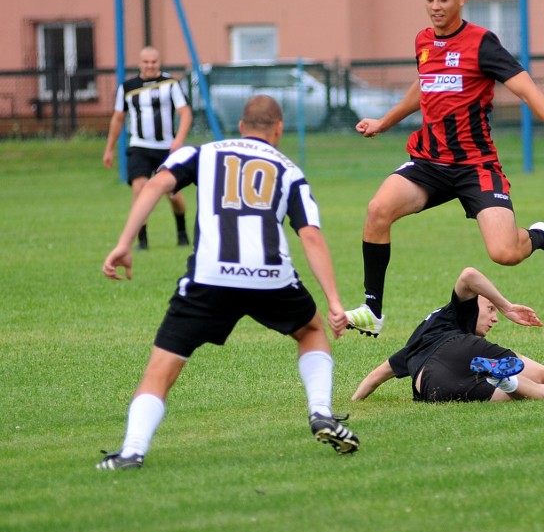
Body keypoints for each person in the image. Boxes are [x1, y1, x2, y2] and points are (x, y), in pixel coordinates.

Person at [97, 95, 359, 470]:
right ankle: (321, 412)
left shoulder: (201, 153)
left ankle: (132, 451)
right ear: (278, 130)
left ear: (240, 126)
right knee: (312, 329)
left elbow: (155, 186)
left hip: (210, 276)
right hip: (271, 276)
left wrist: (125, 244)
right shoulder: (288, 169)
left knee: (162, 368)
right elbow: (311, 235)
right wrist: (334, 300)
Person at [345, 0, 544, 338]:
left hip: (475, 166)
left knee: (504, 253)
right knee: (378, 210)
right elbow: (423, 86)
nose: (435, 6)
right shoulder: (423, 41)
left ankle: (540, 236)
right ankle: (373, 310)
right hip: (429, 162)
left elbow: (528, 91)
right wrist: (384, 121)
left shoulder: (482, 43)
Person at [352, 266, 544, 403]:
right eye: (489, 309)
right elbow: (469, 274)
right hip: (462, 347)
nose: (494, 317)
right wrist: (505, 305)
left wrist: (355, 403)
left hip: (434, 382)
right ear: (472, 302)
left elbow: (376, 377)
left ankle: (503, 379)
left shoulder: (413, 345)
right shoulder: (457, 311)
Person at [103, 46, 193, 249]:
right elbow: (118, 119)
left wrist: (179, 139)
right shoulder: (127, 88)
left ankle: (181, 231)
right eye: (146, 62)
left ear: (159, 62)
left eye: (154, 62)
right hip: (140, 147)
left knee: (173, 195)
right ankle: (142, 240)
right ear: (139, 63)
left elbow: (185, 113)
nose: (150, 65)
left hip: (166, 149)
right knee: (139, 188)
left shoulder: (170, 84)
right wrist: (109, 148)